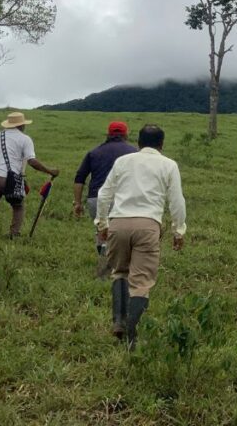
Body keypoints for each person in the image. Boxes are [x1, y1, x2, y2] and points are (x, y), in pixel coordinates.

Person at [95, 124, 186, 349]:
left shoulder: (123, 162)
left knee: (119, 272)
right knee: (141, 282)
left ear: (138, 142)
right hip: (148, 225)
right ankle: (132, 337)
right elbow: (176, 200)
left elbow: (104, 193)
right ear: (162, 144)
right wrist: (178, 230)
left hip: (118, 222)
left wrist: (102, 223)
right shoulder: (169, 165)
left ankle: (118, 321)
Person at [0, 111, 60, 237]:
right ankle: (14, 234)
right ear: (21, 126)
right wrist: (50, 171)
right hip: (12, 179)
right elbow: (32, 161)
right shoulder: (25, 139)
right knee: (18, 207)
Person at [73, 121, 138, 257]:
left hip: (95, 199)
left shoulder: (94, 152)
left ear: (108, 134)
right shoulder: (134, 153)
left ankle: (104, 261)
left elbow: (79, 178)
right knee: (122, 232)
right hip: (123, 198)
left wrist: (78, 203)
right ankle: (118, 264)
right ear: (126, 134)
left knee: (101, 230)